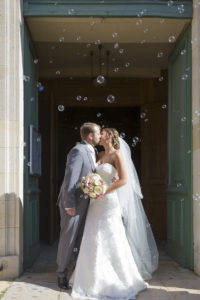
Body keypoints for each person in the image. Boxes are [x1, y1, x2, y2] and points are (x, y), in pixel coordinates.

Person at [69, 128, 159, 300]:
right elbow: (94, 176)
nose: (99, 135)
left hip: (109, 202)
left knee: (112, 236)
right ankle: (89, 278)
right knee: (93, 236)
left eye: (102, 133)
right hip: (96, 203)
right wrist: (89, 185)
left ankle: (120, 277)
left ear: (109, 137)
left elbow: (124, 179)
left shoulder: (117, 155)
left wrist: (104, 190)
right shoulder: (100, 155)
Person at [56, 122, 101, 289]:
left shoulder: (91, 152)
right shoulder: (78, 151)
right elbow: (71, 179)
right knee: (68, 239)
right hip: (73, 203)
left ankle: (75, 272)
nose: (100, 135)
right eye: (98, 133)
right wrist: (69, 204)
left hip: (85, 203)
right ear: (90, 136)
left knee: (79, 238)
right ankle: (61, 274)